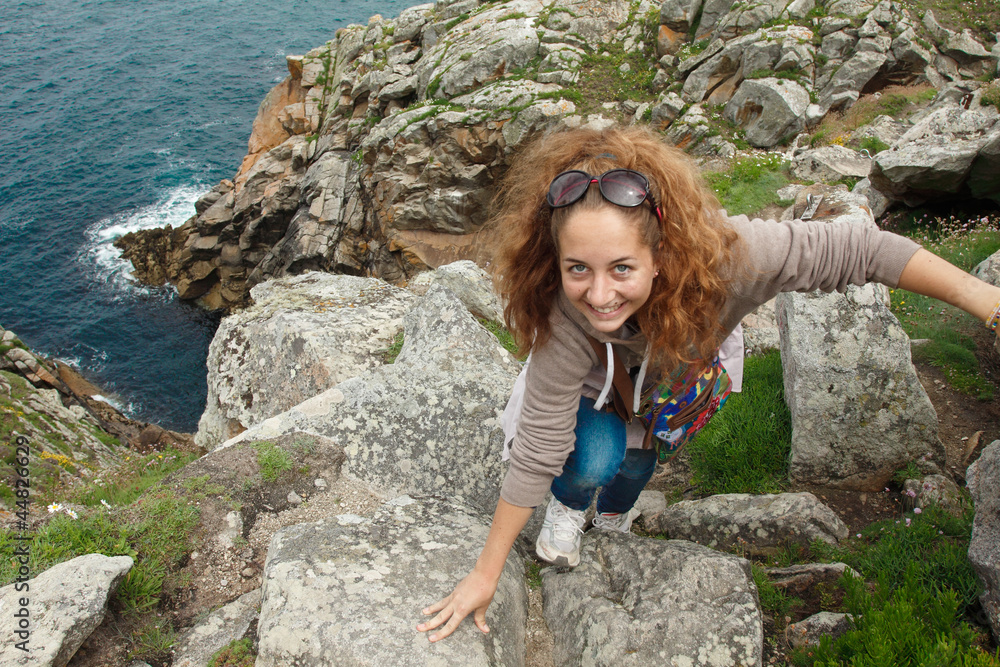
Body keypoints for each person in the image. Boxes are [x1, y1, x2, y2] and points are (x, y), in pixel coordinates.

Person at [415, 125, 1000, 642]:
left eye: (622, 267)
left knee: (641, 468)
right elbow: (539, 442)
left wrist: (988, 302)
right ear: (557, 259)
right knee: (595, 458)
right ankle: (570, 508)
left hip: (674, 377)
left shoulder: (732, 259)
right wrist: (485, 575)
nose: (598, 295)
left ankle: (616, 518)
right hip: (597, 390)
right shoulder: (564, 317)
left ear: (662, 253)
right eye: (578, 269)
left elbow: (860, 248)